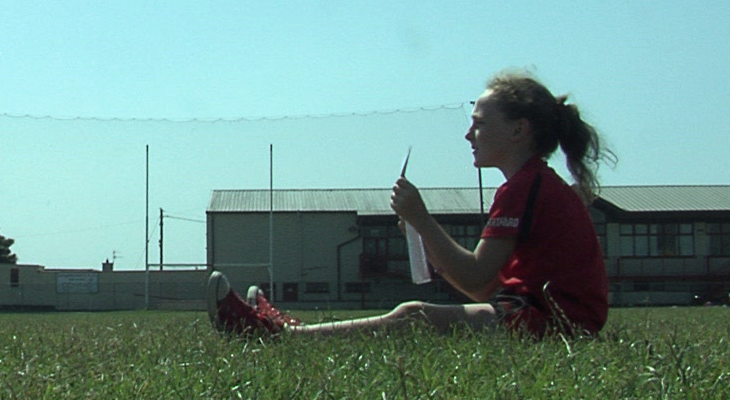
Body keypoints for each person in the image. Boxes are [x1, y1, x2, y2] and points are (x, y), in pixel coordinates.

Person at [208, 71, 615, 338]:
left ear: (518, 130)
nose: (469, 135)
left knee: (412, 316)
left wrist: (422, 219)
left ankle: (274, 336)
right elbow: (486, 287)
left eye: (479, 123)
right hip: (551, 319)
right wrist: (424, 232)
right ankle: (281, 332)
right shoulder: (535, 184)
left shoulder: (525, 187)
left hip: (555, 327)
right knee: (416, 316)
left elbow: (475, 281)